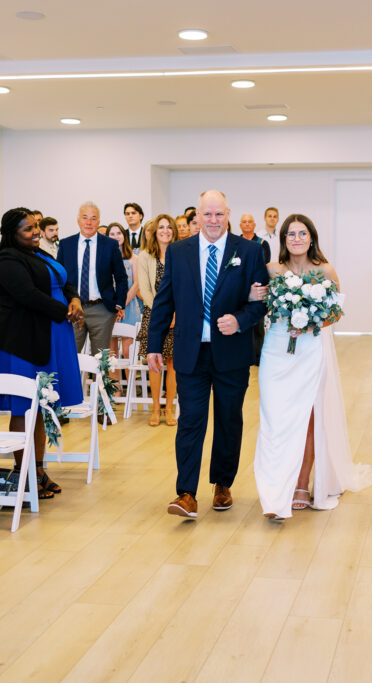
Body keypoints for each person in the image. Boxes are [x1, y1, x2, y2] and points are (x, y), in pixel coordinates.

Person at [147, 191, 268, 518]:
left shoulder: (250, 251)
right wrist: (154, 344)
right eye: (207, 214)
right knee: (190, 422)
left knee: (229, 420)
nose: (213, 221)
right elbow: (164, 300)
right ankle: (186, 493)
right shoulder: (178, 251)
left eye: (219, 214)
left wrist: (240, 320)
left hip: (231, 353)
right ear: (196, 216)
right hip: (190, 352)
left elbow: (260, 302)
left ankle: (222, 484)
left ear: (228, 214)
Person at [249, 214, 372, 519]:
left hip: (309, 348)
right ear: (283, 240)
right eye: (290, 234)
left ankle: (302, 483)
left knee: (307, 416)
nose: (296, 238)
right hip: (277, 349)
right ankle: (276, 485)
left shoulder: (325, 270)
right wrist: (253, 295)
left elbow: (336, 312)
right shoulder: (271, 270)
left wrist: (311, 322)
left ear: (311, 237)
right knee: (274, 416)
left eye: (302, 233)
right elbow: (256, 303)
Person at [0, 208, 84, 499]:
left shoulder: (41, 254)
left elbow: (63, 280)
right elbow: (26, 294)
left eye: (36, 226)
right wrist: (65, 310)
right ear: (12, 234)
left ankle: (38, 469)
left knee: (39, 407)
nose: (36, 232)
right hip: (20, 340)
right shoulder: (6, 260)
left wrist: (74, 298)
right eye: (28, 229)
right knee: (23, 406)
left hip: (47, 333)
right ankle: (24, 474)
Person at [56, 201, 127, 354]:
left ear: (99, 222)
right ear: (78, 220)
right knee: (70, 357)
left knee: (101, 362)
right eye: (85, 217)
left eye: (94, 218)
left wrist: (120, 303)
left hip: (102, 310)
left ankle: (101, 379)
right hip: (73, 309)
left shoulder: (110, 245)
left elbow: (121, 277)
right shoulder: (65, 244)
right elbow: (59, 278)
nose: (89, 222)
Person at [137, 214, 181, 426]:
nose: (165, 231)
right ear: (155, 232)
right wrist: (164, 314)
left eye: (169, 227)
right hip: (154, 316)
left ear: (174, 231)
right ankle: (155, 409)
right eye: (161, 227)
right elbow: (144, 290)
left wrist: (175, 314)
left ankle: (169, 409)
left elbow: (185, 289)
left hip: (179, 315)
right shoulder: (145, 256)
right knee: (154, 362)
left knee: (173, 363)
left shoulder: (181, 255)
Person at [106, 223, 141, 364]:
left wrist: (121, 305)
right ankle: (115, 387)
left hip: (130, 307)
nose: (116, 236)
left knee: (128, 352)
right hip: (110, 308)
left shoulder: (134, 258)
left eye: (118, 233)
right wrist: (114, 306)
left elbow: (136, 284)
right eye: (112, 234)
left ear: (124, 235)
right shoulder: (104, 259)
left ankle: (131, 386)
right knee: (111, 355)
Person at [239, 213, 271, 365]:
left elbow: (264, 265)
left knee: (257, 325)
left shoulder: (262, 243)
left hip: (257, 287)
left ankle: (257, 357)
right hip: (239, 289)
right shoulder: (235, 242)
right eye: (244, 222)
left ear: (254, 225)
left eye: (249, 222)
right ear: (240, 225)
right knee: (241, 323)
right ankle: (243, 356)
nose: (246, 224)